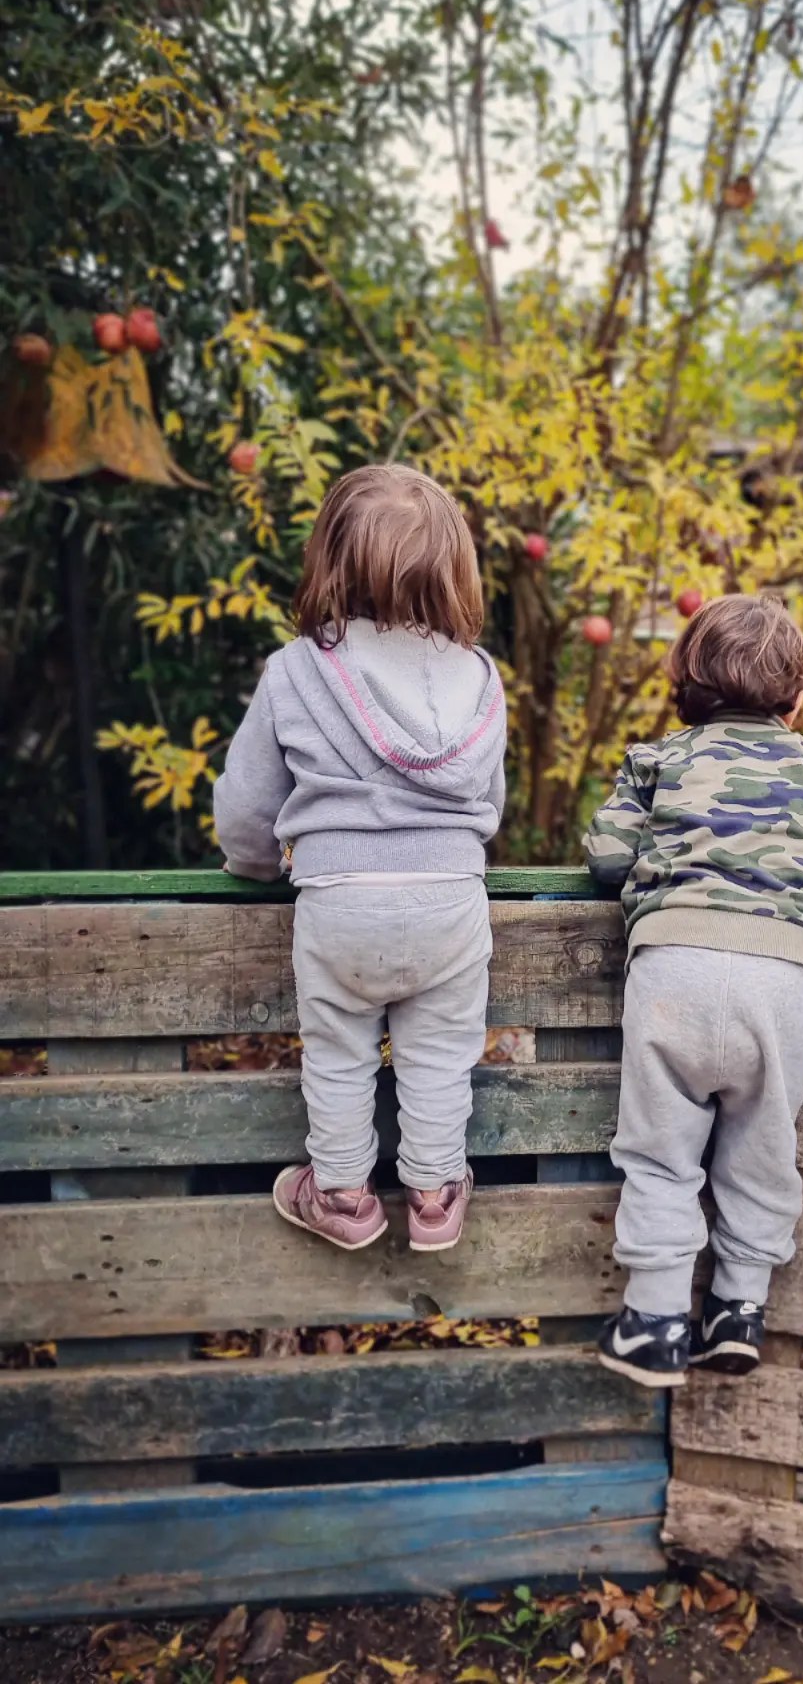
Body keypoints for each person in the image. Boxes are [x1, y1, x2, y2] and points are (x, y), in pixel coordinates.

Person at [214, 464, 506, 1255]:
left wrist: (254, 864)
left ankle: (342, 1195)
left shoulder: (296, 671)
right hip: (450, 898)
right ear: (453, 568)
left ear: (331, 560)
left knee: (339, 1052)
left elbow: (246, 813)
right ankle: (436, 1193)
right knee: (441, 1054)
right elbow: (492, 807)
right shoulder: (480, 678)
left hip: (338, 900)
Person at [583, 594, 803, 1386]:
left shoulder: (657, 760)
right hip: (781, 980)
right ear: (798, 695)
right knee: (763, 1151)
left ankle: (655, 1319)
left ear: (684, 682)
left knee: (660, 1153)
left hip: (673, 969)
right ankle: (739, 1306)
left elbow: (607, 860)